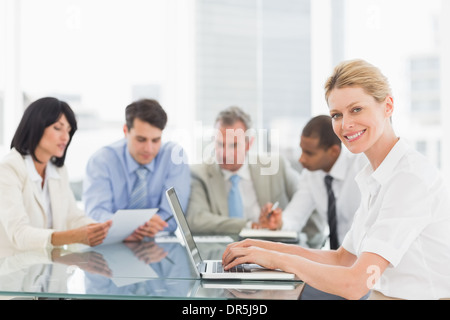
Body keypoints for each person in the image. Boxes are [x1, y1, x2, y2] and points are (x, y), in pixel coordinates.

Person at [222, 59, 450, 300]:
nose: (346, 124)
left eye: (356, 109)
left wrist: (276, 259)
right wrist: (261, 248)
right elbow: (343, 258)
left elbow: (356, 284)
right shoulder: (377, 176)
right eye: (336, 115)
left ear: (388, 106)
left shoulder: (408, 178)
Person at [0, 97, 112, 255]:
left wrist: (104, 229)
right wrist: (73, 236)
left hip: (48, 269)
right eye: (58, 128)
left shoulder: (57, 170)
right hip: (15, 271)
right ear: (36, 127)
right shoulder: (9, 169)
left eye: (68, 130)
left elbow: (73, 218)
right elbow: (20, 234)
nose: (65, 137)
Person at [186, 106, 319, 237]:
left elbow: (312, 204)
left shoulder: (276, 167)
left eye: (234, 145)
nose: (224, 153)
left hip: (272, 251)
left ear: (249, 143)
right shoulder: (200, 173)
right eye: (220, 144)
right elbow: (196, 219)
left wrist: (310, 245)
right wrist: (250, 225)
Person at [83, 99, 191, 239]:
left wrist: (129, 226)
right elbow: (96, 214)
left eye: (156, 140)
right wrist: (133, 227)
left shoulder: (174, 157)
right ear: (125, 131)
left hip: (159, 246)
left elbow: (172, 218)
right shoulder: (102, 160)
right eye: (141, 140)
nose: (149, 149)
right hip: (114, 244)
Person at [262, 115, 367, 249]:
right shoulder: (311, 175)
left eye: (309, 153)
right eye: (301, 150)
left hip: (365, 255)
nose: (301, 159)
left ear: (333, 151)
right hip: (336, 257)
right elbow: (294, 217)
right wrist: (279, 222)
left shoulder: (361, 167)